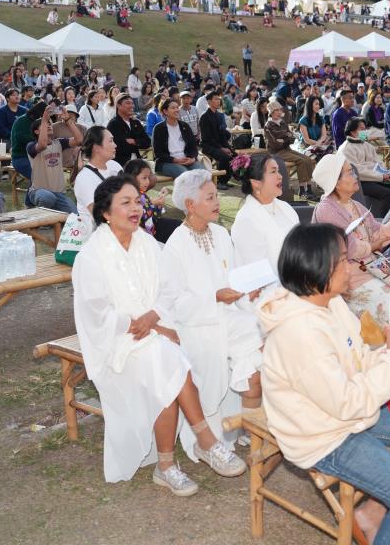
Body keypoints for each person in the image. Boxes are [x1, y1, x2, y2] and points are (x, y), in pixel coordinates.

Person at [259, 223, 390, 545]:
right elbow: (349, 404)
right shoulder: (300, 333)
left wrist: (388, 352)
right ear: (317, 268)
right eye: (343, 260)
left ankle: (371, 514)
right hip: (321, 435)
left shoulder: (330, 303)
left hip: (344, 412)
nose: (350, 266)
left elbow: (358, 358)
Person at [71, 175, 246, 491]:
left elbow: (167, 292)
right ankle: (204, 441)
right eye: (125, 203)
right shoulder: (91, 257)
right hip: (117, 342)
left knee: (166, 361)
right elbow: (96, 314)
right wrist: (142, 324)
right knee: (168, 361)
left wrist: (155, 319)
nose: (135, 208)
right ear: (106, 213)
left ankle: (167, 465)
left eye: (137, 202)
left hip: (156, 331)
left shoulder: (147, 243)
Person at [157, 171, 263, 457]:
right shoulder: (176, 245)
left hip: (229, 316)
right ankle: (239, 431)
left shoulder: (221, 234)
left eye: (216, 196)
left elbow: (234, 277)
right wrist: (214, 297)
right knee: (251, 347)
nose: (217, 202)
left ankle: (251, 430)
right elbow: (174, 303)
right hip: (197, 325)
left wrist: (246, 291)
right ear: (190, 205)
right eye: (210, 197)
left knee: (259, 352)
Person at [311, 154, 390, 327]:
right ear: (336, 182)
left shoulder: (356, 205)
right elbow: (350, 248)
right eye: (350, 173)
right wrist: (373, 246)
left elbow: (380, 234)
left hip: (373, 270)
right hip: (350, 280)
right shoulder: (326, 210)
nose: (355, 176)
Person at [230, 154, 299, 273]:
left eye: (278, 171)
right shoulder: (246, 220)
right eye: (273, 172)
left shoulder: (285, 207)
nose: (280, 176)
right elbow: (258, 272)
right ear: (256, 183)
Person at [336, 117, 390, 218]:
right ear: (353, 132)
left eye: (365, 129)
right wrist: (381, 177)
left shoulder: (367, 145)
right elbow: (357, 171)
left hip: (373, 178)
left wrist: (385, 173)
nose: (365, 132)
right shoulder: (345, 148)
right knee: (387, 193)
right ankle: (382, 220)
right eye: (362, 129)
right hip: (356, 182)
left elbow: (378, 163)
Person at [24, 108, 80, 214]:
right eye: (45, 124)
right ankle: (42, 216)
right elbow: (42, 144)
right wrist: (44, 119)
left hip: (59, 193)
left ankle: (53, 212)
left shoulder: (59, 143)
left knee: (75, 217)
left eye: (50, 123)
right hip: (39, 191)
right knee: (47, 198)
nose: (49, 125)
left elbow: (79, 140)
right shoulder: (31, 146)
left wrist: (68, 120)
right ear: (36, 131)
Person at [263, 100, 315, 199]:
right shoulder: (268, 126)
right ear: (271, 112)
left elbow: (292, 138)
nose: (279, 112)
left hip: (287, 149)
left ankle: (309, 188)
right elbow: (274, 144)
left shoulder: (283, 123)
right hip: (276, 153)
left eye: (280, 109)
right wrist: (286, 138)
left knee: (308, 159)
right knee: (301, 160)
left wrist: (283, 139)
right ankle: (302, 190)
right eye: (276, 110)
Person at [151, 98, 206, 179]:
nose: (177, 110)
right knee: (185, 175)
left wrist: (192, 158)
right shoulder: (159, 128)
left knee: (203, 173)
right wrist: (175, 160)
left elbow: (193, 146)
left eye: (177, 107)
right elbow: (158, 153)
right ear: (165, 111)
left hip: (187, 160)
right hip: (167, 162)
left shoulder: (185, 126)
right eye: (173, 108)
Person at [73, 126, 123, 217]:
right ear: (96, 148)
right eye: (110, 141)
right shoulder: (84, 178)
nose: (115, 145)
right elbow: (98, 214)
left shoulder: (115, 165)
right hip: (99, 225)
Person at [197, 91, 236, 188]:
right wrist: (222, 148)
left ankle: (225, 180)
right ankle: (219, 181)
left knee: (234, 155)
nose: (218, 101)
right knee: (224, 157)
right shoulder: (204, 117)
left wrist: (228, 148)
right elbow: (207, 138)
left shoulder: (218, 115)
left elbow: (222, 135)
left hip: (218, 144)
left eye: (219, 99)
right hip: (208, 145)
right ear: (209, 102)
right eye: (216, 99)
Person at [106, 95, 151, 167]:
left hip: (137, 161)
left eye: (132, 103)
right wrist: (138, 142)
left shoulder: (136, 122)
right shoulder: (113, 124)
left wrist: (134, 141)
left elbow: (147, 142)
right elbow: (119, 147)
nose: (132, 106)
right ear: (118, 105)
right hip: (121, 164)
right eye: (128, 103)